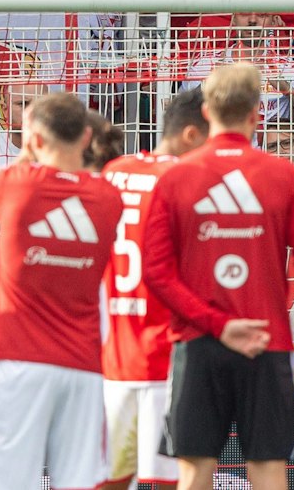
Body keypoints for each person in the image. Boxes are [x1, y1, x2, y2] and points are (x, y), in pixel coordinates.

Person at [139, 61, 294, 490]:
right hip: (266, 341)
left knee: (194, 472)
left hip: (199, 344)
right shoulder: (283, 175)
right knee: (267, 470)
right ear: (257, 113)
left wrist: (218, 326)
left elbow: (154, 272)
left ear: (206, 112)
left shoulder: (176, 176)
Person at [0, 92, 124, 490]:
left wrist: (24, 157)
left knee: (9, 482)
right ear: (86, 139)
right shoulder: (108, 196)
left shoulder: (11, 181)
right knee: (81, 482)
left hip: (18, 361)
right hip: (84, 365)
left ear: (34, 140)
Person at [99, 89, 210, 490]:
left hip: (114, 356)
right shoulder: (187, 180)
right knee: (178, 478)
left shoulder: (113, 172)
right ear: (192, 135)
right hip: (168, 356)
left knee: (110, 478)